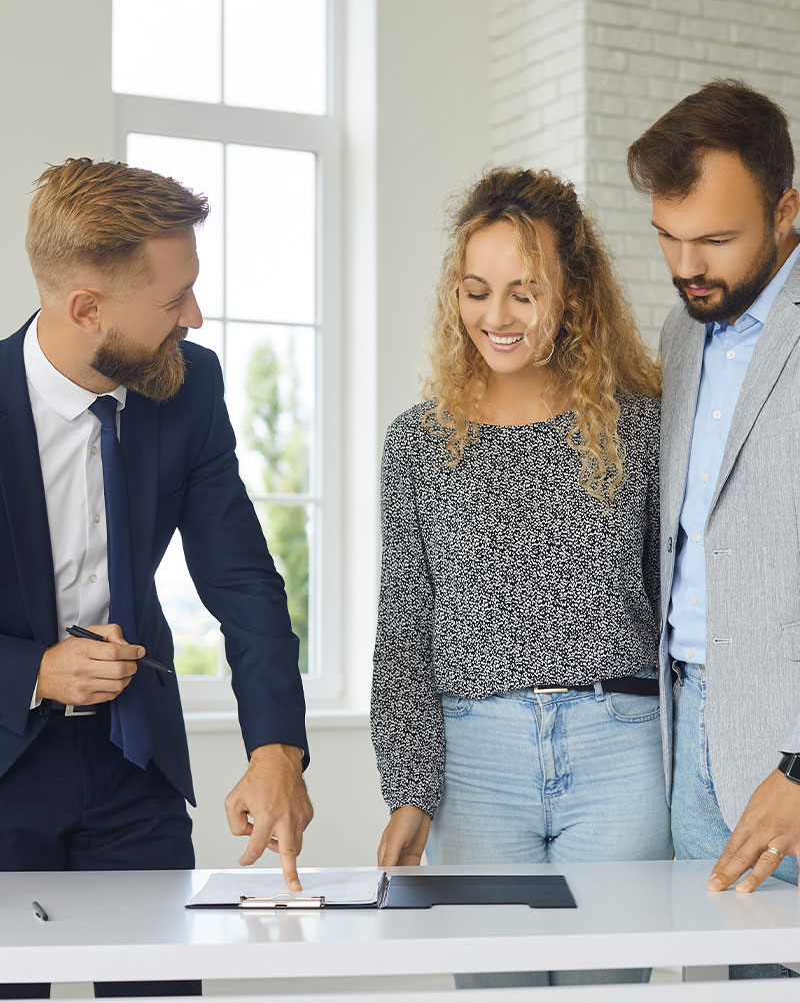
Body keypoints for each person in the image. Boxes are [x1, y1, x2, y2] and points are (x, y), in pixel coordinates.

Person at [0, 157, 313, 998]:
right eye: (173, 301)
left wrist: (277, 748)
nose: (195, 317)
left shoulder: (188, 385)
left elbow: (243, 578)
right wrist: (33, 668)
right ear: (85, 308)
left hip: (132, 765)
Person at [371, 167, 670, 988]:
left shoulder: (641, 423)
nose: (493, 318)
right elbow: (404, 630)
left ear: (573, 295)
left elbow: (677, 604)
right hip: (476, 765)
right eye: (475, 291)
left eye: (522, 292)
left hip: (621, 754)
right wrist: (410, 788)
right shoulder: (417, 443)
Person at [628, 79, 800, 981]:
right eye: (669, 238)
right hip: (689, 725)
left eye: (717, 241)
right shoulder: (681, 332)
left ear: (786, 209)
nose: (688, 265)